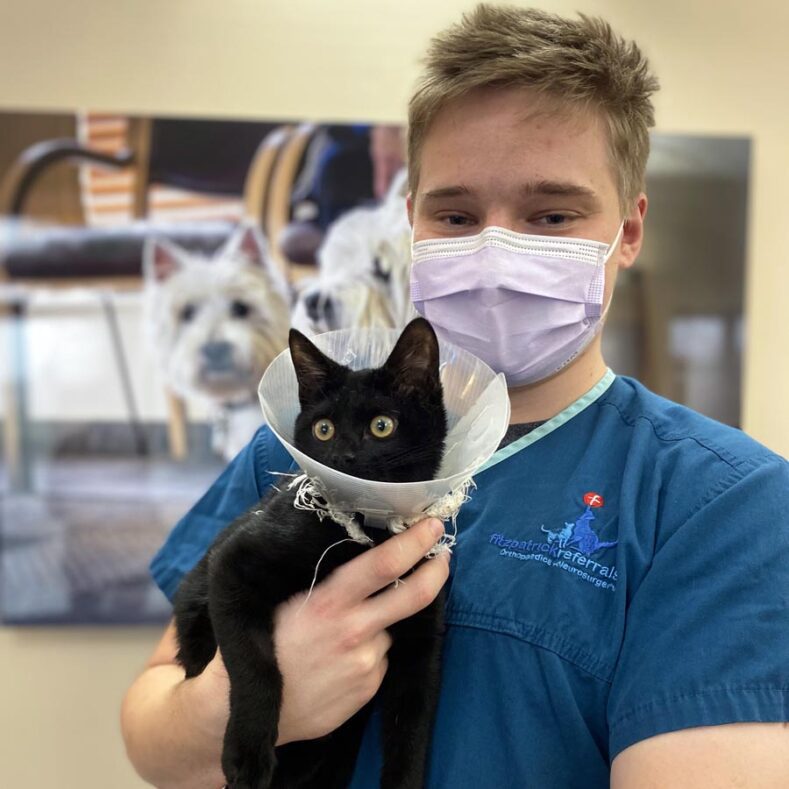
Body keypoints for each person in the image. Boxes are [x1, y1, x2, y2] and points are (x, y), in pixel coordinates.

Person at [121, 5, 789, 787]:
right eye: (455, 214)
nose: (494, 247)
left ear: (628, 230)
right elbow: (154, 736)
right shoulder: (304, 445)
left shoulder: (720, 503)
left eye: (551, 214)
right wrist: (252, 699)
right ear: (412, 223)